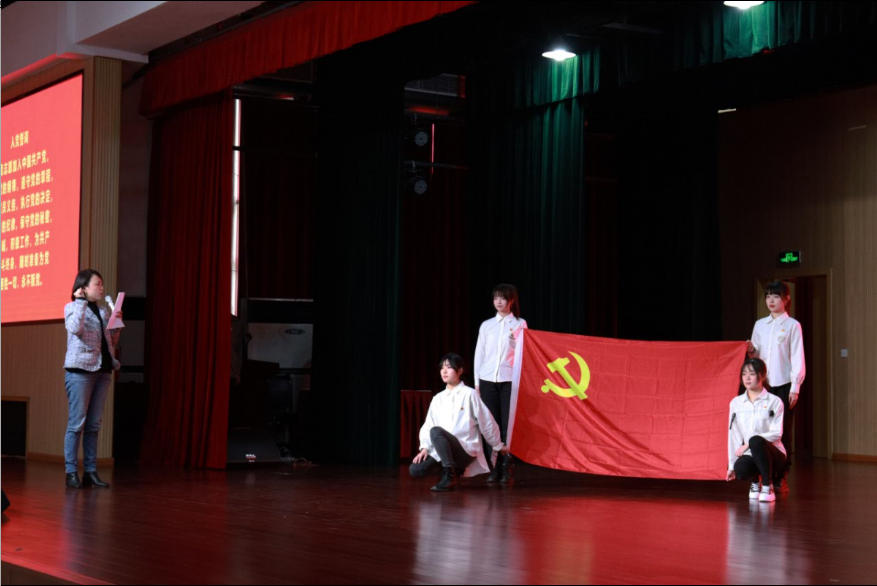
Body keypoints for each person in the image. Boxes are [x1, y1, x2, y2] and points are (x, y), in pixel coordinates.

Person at [410, 354, 508, 492]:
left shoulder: (470, 394)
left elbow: (486, 421)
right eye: (442, 368)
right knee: (415, 469)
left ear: (459, 371)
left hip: (464, 450)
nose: (444, 371)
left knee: (436, 432)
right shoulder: (438, 398)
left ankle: (450, 476)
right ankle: (451, 471)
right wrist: (425, 448)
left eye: (449, 367)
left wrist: (497, 444)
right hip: (443, 449)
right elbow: (428, 424)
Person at [63, 269, 122, 489]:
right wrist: (80, 302)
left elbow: (111, 342)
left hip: (103, 370)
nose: (101, 288)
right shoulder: (72, 307)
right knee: (76, 424)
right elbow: (74, 329)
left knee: (94, 425)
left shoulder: (103, 311)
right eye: (97, 284)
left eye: (102, 284)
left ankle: (90, 471)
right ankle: (71, 472)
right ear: (83, 288)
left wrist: (116, 325)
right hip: (80, 371)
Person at [747, 280, 805, 493]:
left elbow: (797, 357)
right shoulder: (760, 324)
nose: (771, 300)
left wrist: (795, 386)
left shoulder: (792, 325)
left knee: (782, 430)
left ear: (786, 299)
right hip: (764, 384)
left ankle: (782, 473)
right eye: (768, 296)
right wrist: (751, 351)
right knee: (759, 426)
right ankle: (763, 473)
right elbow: (756, 356)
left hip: (783, 384)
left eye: (776, 296)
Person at [473, 284, 527, 484]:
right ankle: (493, 468)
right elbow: (479, 354)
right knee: (490, 425)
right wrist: (477, 381)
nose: (498, 301)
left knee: (507, 425)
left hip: (509, 379)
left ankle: (507, 467)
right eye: (496, 298)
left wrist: (514, 342)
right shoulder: (487, 325)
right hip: (487, 379)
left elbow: (523, 353)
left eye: (502, 298)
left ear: (511, 300)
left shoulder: (520, 323)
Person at [726, 358, 786, 503]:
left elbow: (777, 433)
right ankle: (755, 482)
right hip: (751, 454)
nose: (747, 378)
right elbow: (733, 435)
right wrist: (731, 465)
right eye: (744, 374)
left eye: (752, 374)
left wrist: (748, 444)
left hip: (773, 455)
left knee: (755, 441)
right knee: (740, 468)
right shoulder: (736, 403)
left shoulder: (774, 401)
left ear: (762, 376)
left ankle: (767, 485)